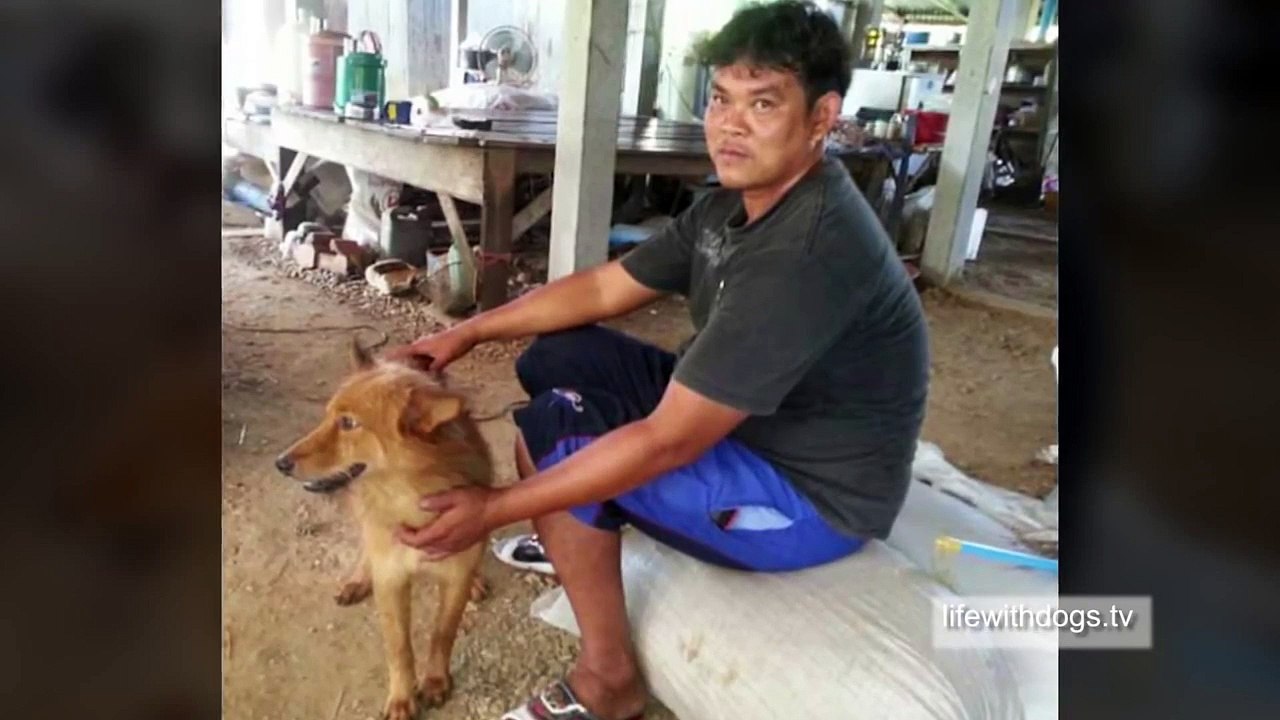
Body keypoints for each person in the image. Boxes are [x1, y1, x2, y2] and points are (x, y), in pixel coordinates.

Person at [387, 2, 929, 718]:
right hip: (752, 423)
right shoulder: (732, 205)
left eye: (762, 104)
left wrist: (494, 510)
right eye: (720, 99)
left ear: (822, 118)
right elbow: (609, 286)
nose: (730, 125)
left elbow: (668, 438)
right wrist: (472, 331)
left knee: (555, 432)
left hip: (812, 491)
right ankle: (577, 533)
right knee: (560, 356)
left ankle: (609, 681)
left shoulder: (807, 251)